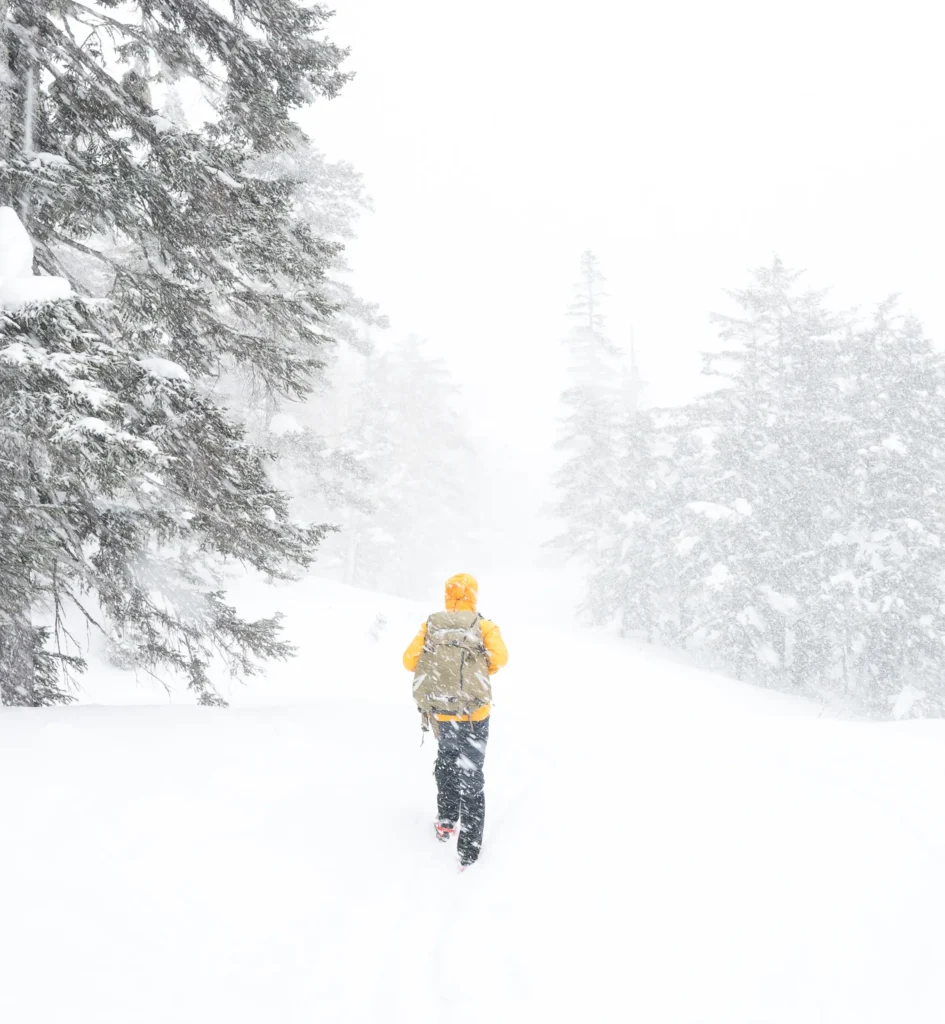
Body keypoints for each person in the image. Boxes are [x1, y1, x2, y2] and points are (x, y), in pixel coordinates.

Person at [403, 573, 508, 868]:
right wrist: (475, 670)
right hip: (474, 713)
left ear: (448, 595)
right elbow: (500, 658)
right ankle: (469, 851)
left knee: (447, 760)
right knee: (471, 772)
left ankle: (447, 820)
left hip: (443, 711)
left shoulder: (432, 624)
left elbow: (409, 661)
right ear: (473, 595)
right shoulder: (483, 625)